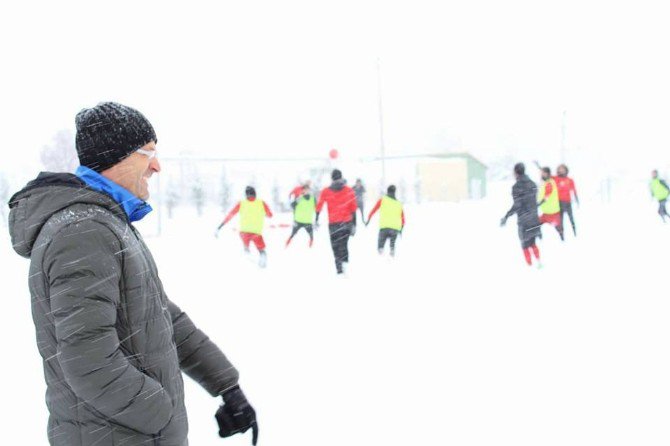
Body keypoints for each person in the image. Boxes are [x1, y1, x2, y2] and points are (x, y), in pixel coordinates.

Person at [7, 102, 258, 446]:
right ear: (117, 158)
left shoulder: (104, 222)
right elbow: (89, 362)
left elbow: (160, 316)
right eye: (148, 153)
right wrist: (159, 414)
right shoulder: (82, 232)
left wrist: (226, 384)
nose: (156, 166)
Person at [217, 186, 273, 268]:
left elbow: (230, 215)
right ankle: (262, 262)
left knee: (246, 247)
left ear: (246, 195)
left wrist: (220, 226)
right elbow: (270, 215)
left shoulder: (241, 203)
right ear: (255, 194)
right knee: (261, 250)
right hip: (256, 232)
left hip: (244, 232)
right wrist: (262, 213)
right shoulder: (261, 203)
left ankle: (247, 258)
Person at [316, 169, 358, 275]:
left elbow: (319, 205)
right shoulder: (349, 190)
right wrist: (354, 224)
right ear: (341, 177)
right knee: (344, 244)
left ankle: (339, 268)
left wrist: (316, 218)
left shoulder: (326, 191)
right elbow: (353, 209)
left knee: (335, 246)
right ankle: (345, 263)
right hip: (346, 223)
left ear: (332, 178)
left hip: (333, 224)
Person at [501, 163, 543, 267]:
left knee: (524, 245)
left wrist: (506, 216)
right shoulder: (533, 184)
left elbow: (517, 205)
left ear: (515, 172)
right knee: (533, 243)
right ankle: (539, 263)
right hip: (534, 218)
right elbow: (534, 202)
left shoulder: (516, 187)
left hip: (524, 221)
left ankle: (529, 266)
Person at [535, 161, 579, 236]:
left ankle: (575, 233)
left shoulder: (569, 180)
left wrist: (577, 199)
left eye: (563, 169)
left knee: (571, 219)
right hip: (560, 203)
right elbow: (546, 174)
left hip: (568, 203)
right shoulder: (556, 178)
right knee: (560, 221)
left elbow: (574, 190)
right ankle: (562, 235)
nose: (561, 170)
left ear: (566, 170)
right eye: (560, 169)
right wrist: (539, 166)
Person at [366, 185, 405, 256]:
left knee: (380, 246)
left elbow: (373, 210)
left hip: (384, 227)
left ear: (387, 191)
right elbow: (403, 218)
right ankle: (392, 256)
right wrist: (401, 229)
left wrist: (368, 219)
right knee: (392, 245)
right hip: (395, 228)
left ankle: (381, 257)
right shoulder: (399, 203)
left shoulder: (382, 200)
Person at [537, 166, 564, 241]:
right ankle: (540, 238)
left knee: (557, 227)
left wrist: (538, 204)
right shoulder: (546, 182)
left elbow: (546, 196)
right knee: (537, 224)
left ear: (547, 174)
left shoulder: (549, 183)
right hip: (547, 212)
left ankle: (563, 240)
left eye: (542, 173)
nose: (541, 175)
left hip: (552, 212)